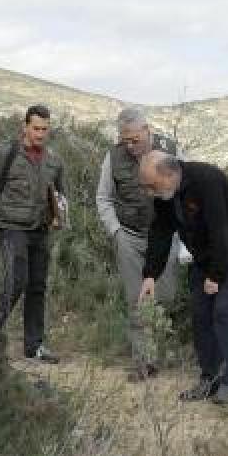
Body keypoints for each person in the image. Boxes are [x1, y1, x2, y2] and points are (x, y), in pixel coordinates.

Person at [138, 150, 228, 405]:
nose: (148, 192)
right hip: (201, 255)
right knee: (201, 313)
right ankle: (208, 379)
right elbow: (160, 233)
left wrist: (216, 275)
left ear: (168, 175)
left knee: (223, 310)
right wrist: (150, 275)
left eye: (151, 185)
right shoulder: (165, 195)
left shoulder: (207, 180)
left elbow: (222, 231)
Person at [0, 104, 64, 363]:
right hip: (12, 228)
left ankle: (34, 347)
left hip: (41, 231)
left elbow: (59, 195)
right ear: (25, 126)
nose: (40, 134)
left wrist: (59, 217)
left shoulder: (54, 160)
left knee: (37, 287)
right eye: (36, 128)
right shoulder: (7, 153)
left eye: (45, 129)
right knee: (15, 282)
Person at [96, 108, 183, 381]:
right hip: (129, 236)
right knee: (136, 298)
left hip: (165, 237)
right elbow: (104, 198)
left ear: (148, 131)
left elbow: (185, 191)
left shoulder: (171, 151)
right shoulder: (113, 157)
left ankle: (161, 350)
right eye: (126, 140)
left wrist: (184, 235)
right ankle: (144, 362)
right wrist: (116, 232)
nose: (131, 146)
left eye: (136, 139)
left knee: (165, 295)